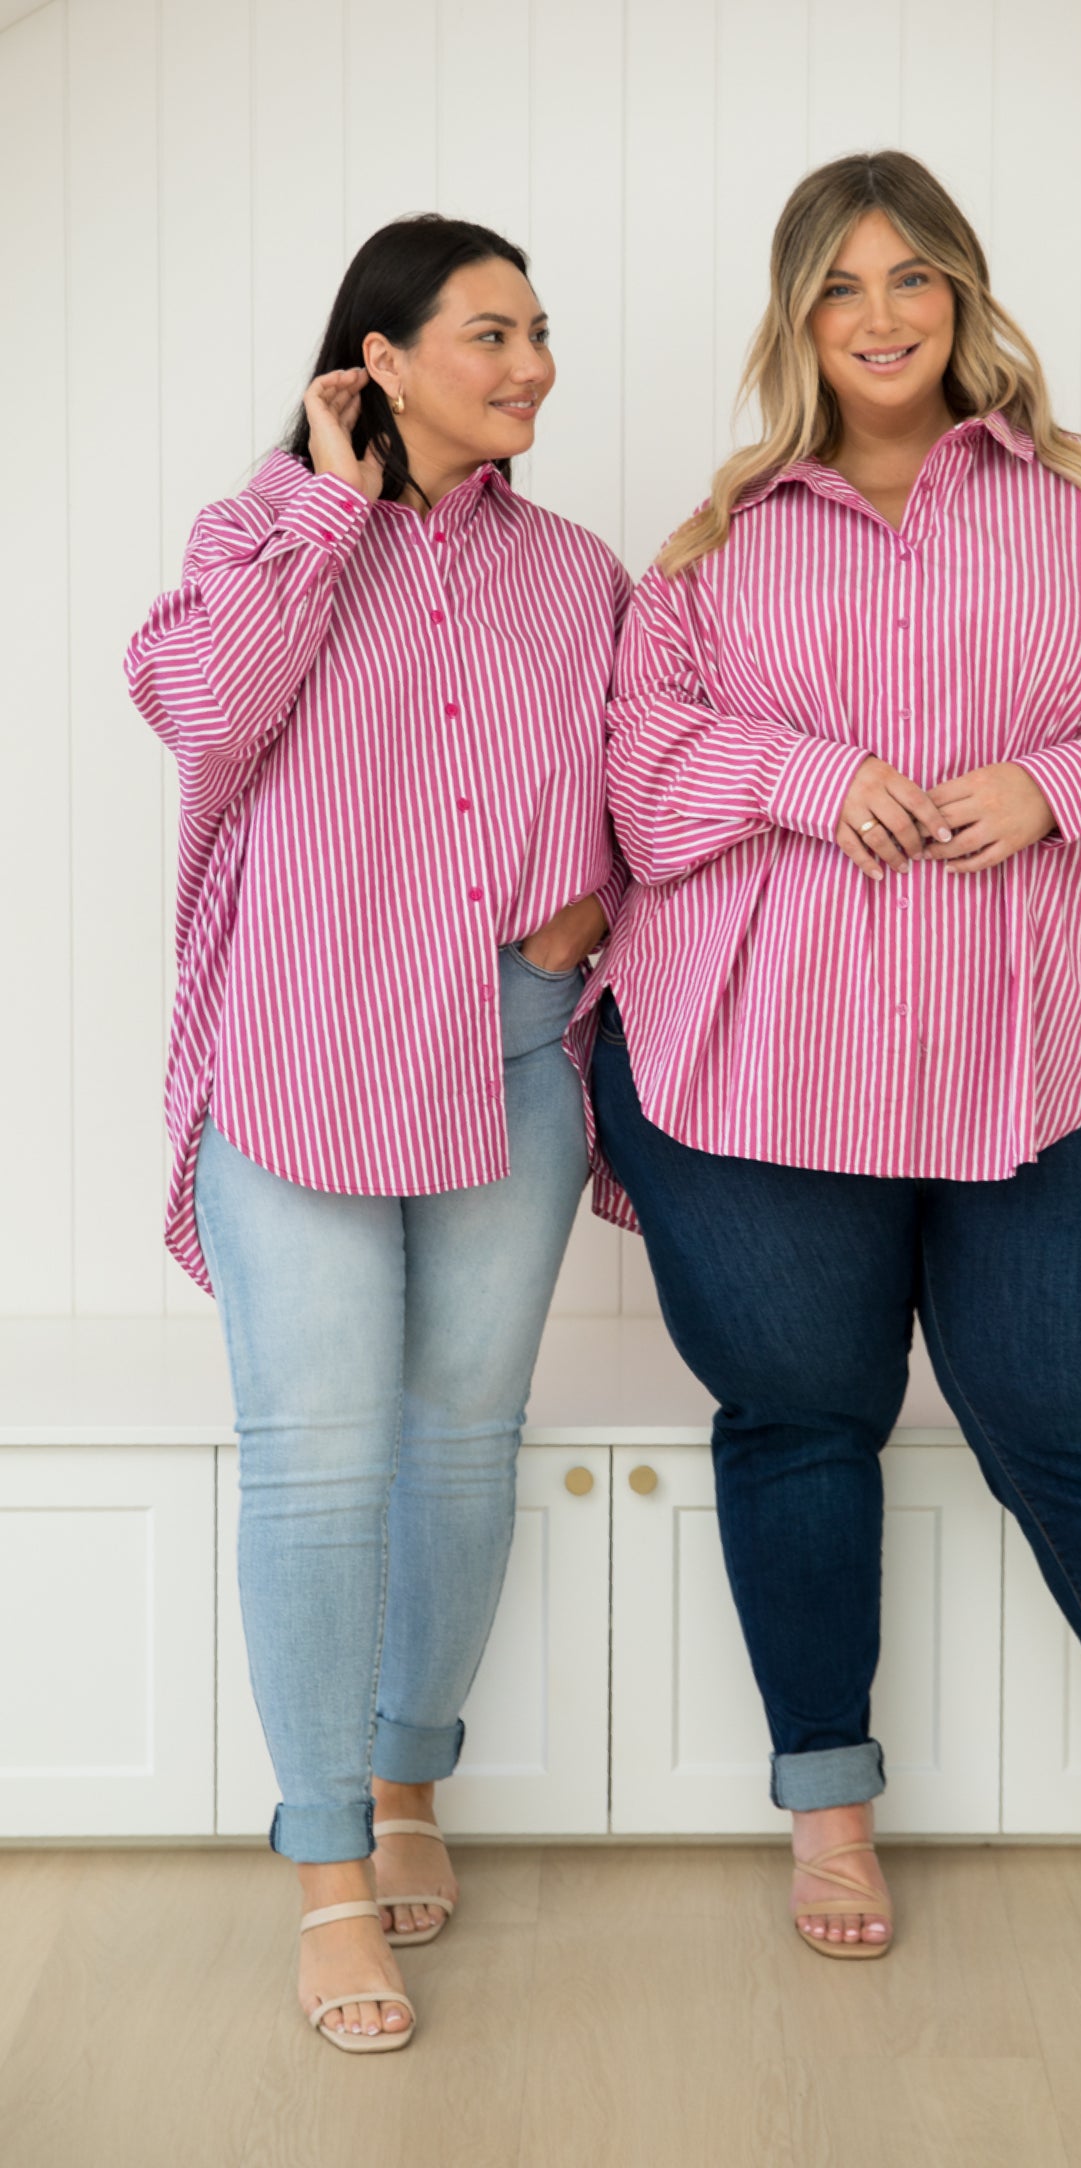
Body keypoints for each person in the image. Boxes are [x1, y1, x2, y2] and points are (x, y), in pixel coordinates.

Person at [581, 150, 1081, 1975]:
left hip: (1046, 1054)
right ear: (795, 317)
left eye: (910, 278)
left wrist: (1050, 785)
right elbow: (641, 762)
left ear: (962, 294)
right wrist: (804, 776)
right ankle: (829, 1810)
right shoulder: (717, 538)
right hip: (764, 1071)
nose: (879, 317)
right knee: (797, 1422)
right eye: (839, 287)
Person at [125, 215, 629, 2051]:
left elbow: (637, 774)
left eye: (540, 332)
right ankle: (331, 1867)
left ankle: (411, 1770)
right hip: (302, 1049)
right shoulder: (255, 541)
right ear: (380, 358)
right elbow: (194, 711)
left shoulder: (576, 572)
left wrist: (587, 906)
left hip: (508, 1049)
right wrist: (329, 511)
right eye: (489, 333)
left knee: (460, 1442)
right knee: (323, 1461)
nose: (531, 365)